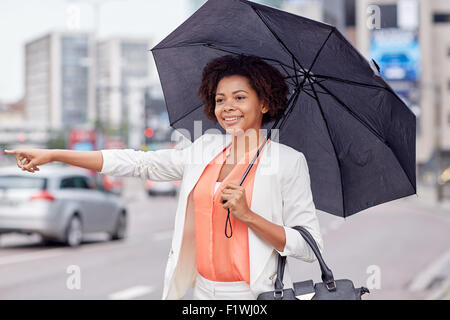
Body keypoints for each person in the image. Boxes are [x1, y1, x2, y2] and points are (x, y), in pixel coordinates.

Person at [4, 54, 323, 300]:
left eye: (240, 97)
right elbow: (136, 163)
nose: (228, 107)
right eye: (220, 98)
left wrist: (249, 216)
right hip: (200, 292)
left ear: (264, 102)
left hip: (254, 295)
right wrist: (56, 154)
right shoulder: (205, 148)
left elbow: (308, 246)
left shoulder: (287, 162)